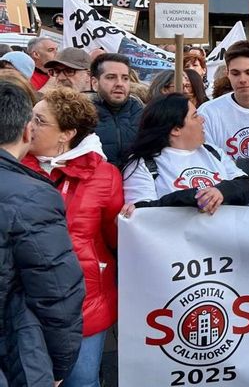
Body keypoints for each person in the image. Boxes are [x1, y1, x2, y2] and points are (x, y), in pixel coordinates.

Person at [21, 88, 122, 387]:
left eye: (39, 120)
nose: (29, 125)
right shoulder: (14, 166)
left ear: (67, 133)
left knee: (82, 381)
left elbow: (112, 238)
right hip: (26, 301)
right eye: (30, 117)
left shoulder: (105, 176)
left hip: (85, 302)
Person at [0, 81, 85, 386]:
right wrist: (58, 367)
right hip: (14, 353)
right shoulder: (33, 196)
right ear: (27, 132)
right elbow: (56, 292)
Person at [121, 93, 249, 214]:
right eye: (195, 116)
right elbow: (141, 213)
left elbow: (246, 185)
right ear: (176, 129)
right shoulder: (143, 164)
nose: (202, 120)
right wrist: (193, 197)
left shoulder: (212, 151)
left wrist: (222, 191)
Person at [197, 41, 249, 160]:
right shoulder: (208, 113)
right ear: (227, 74)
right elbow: (208, 160)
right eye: (235, 73)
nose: (242, 79)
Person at [89, 53, 143, 168]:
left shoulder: (144, 114)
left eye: (125, 78)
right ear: (95, 83)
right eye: (111, 77)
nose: (119, 83)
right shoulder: (82, 116)